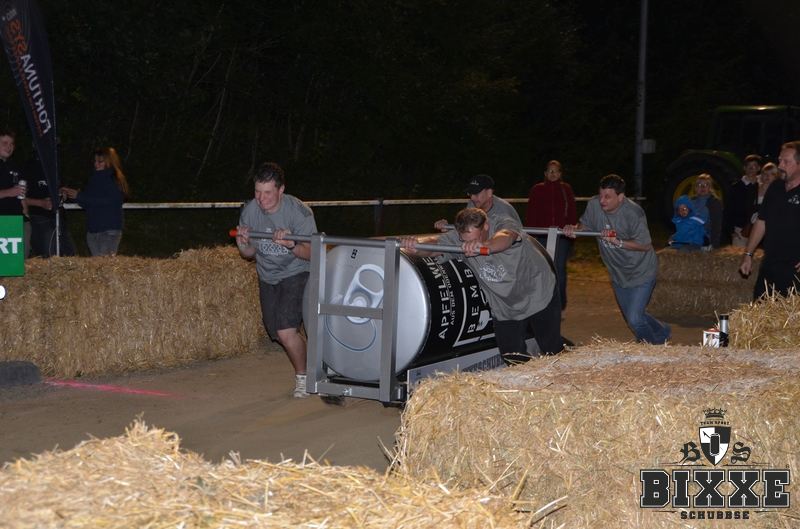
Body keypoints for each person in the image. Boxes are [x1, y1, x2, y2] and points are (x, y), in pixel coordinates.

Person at [402, 207, 563, 359]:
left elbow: (506, 237)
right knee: (512, 357)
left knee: (552, 349)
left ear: (486, 226)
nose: (467, 245)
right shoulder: (460, 238)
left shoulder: (504, 223)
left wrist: (484, 246)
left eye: (474, 239)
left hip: (538, 293)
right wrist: (416, 246)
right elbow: (434, 245)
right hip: (505, 307)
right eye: (464, 240)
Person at [236, 162, 317, 398]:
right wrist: (243, 243)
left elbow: (313, 253)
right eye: (257, 192)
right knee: (274, 330)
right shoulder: (250, 211)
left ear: (281, 190)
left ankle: (304, 377)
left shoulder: (299, 213)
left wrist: (291, 244)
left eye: (268, 193)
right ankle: (310, 354)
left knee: (285, 331)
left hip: (296, 271)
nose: (261, 199)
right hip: (267, 275)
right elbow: (248, 254)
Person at [563, 174, 671, 344]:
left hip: (641, 271)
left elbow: (645, 245)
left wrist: (617, 242)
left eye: (608, 197)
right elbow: (585, 226)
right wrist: (574, 229)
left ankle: (652, 348)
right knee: (633, 315)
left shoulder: (633, 213)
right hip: (617, 273)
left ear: (620, 197)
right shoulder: (594, 205)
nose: (602, 201)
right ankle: (662, 331)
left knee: (634, 319)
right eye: (600, 195)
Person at [739, 141, 800, 299]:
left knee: (790, 314)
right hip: (769, 264)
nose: (780, 166)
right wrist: (748, 254)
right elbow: (761, 221)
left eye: (786, 162)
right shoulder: (775, 187)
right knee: (760, 309)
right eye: (780, 160)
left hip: (794, 268)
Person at [525, 160, 577, 310]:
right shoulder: (537, 189)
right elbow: (531, 212)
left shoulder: (566, 189)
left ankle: (560, 304)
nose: (553, 174)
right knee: (543, 269)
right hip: (542, 236)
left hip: (562, 236)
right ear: (545, 173)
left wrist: (572, 229)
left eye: (556, 171)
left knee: (559, 269)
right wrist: (531, 234)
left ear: (560, 174)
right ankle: (544, 303)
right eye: (550, 171)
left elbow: (572, 211)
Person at [61, 147, 129, 256]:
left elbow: (111, 202)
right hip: (93, 230)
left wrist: (80, 196)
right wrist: (73, 194)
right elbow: (88, 202)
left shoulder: (115, 179)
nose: (96, 164)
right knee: (98, 264)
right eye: (95, 161)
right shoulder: (94, 178)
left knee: (103, 264)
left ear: (109, 162)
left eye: (100, 162)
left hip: (108, 230)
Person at [433, 174, 521, 231]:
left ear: (489, 193)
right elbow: (466, 229)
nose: (472, 197)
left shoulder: (503, 212)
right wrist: (448, 228)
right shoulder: (473, 204)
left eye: (476, 193)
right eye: (470, 194)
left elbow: (506, 241)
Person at [0, 128, 31, 256]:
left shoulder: (14, 165)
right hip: (2, 220)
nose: (9, 147)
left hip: (17, 219)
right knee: (5, 262)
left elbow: (20, 193)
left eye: (12, 144)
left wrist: (25, 210)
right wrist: (9, 192)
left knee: (20, 259)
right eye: (5, 143)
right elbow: (11, 191)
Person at [728, 154, 761, 247]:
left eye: (754, 166)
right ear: (744, 168)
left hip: (757, 229)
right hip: (739, 229)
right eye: (749, 166)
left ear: (758, 168)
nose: (751, 169)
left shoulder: (761, 187)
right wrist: (731, 230)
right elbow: (729, 209)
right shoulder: (736, 187)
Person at [689, 173, 723, 249]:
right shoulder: (690, 201)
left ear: (710, 187)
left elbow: (716, 226)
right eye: (699, 185)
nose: (703, 187)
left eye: (706, 184)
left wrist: (714, 245)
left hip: (706, 241)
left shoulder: (715, 202)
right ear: (695, 188)